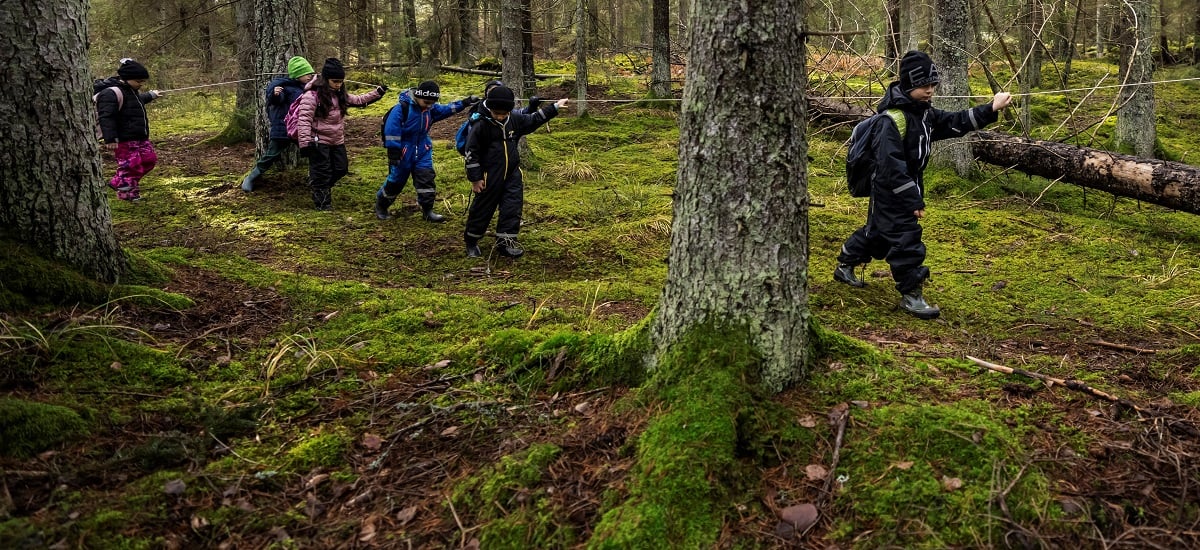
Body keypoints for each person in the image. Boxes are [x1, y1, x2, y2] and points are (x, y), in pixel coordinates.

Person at [833, 50, 1012, 320]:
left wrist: (991, 108)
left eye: (932, 85)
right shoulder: (890, 121)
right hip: (890, 191)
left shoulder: (925, 115)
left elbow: (956, 122)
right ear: (908, 84)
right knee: (906, 240)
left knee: (879, 234)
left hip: (904, 189)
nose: (930, 91)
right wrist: (913, 201)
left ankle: (845, 264)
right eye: (924, 86)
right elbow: (891, 168)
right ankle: (912, 295)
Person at [462, 85, 568, 258]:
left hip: (512, 174)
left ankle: (506, 241)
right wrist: (475, 179)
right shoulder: (480, 124)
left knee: (512, 206)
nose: (501, 116)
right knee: (482, 208)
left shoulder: (515, 120)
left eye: (504, 113)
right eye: (497, 113)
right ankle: (472, 240)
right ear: (490, 107)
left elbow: (534, 119)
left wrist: (554, 107)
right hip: (489, 176)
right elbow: (471, 153)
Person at [374, 80, 480, 222]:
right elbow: (391, 129)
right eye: (426, 102)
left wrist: (465, 102)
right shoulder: (401, 109)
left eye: (432, 102)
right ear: (417, 96)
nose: (429, 105)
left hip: (423, 149)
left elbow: (447, 109)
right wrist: (393, 151)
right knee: (396, 181)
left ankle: (427, 210)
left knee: (426, 179)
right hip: (403, 150)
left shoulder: (431, 109)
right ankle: (381, 206)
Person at [293, 58, 386, 211]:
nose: (338, 84)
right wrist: (304, 144)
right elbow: (303, 120)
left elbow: (359, 99)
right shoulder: (311, 96)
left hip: (337, 140)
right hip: (318, 141)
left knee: (341, 169)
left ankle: (318, 186)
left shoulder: (340, 94)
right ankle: (323, 204)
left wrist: (378, 93)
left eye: (341, 81)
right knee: (322, 172)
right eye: (335, 81)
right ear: (325, 79)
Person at [241, 56, 316, 192]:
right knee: (271, 155)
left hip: (300, 129)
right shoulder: (283, 86)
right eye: (306, 73)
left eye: (311, 73)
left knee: (312, 151)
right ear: (298, 74)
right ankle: (251, 178)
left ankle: (315, 178)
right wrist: (275, 95)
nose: (310, 76)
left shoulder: (308, 88)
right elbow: (276, 100)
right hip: (283, 128)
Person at [95, 58, 163, 202]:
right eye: (138, 81)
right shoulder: (110, 93)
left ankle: (117, 181)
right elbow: (107, 117)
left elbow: (137, 101)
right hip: (124, 138)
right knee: (130, 166)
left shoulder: (132, 91)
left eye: (142, 82)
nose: (140, 84)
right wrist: (111, 138)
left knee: (149, 160)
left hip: (140, 136)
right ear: (126, 78)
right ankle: (127, 194)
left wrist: (151, 95)